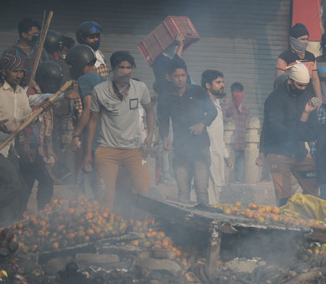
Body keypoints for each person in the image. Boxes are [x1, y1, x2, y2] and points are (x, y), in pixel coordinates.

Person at [0, 54, 51, 224]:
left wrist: (40, 110)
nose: (19, 75)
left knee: (19, 188)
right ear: (5, 72)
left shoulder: (21, 92)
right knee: (11, 184)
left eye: (21, 71)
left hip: (8, 149)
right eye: (15, 71)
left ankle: (6, 224)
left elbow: (25, 118)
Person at [87, 51, 154, 210]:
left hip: (134, 150)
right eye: (121, 67)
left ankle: (143, 230)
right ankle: (105, 231)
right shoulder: (100, 90)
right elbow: (93, 121)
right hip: (107, 151)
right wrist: (88, 153)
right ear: (113, 69)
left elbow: (150, 111)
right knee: (105, 197)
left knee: (144, 193)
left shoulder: (140, 88)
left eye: (129, 68)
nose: (125, 71)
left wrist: (150, 135)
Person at [157, 61, 216, 204]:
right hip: (180, 150)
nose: (180, 79)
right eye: (176, 76)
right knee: (183, 193)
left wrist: (202, 123)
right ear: (170, 77)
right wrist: (165, 137)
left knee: (201, 190)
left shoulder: (198, 92)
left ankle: (205, 223)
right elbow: (163, 120)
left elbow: (212, 111)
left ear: (186, 75)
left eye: (183, 75)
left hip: (200, 148)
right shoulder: (166, 98)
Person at [260, 62, 317, 206]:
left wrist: (307, 135)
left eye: (305, 85)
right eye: (299, 85)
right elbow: (274, 128)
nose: (303, 89)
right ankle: (284, 226)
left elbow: (313, 125)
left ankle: (307, 220)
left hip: (300, 152)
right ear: (290, 81)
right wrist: (299, 133)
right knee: (283, 197)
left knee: (313, 189)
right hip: (278, 153)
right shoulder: (274, 100)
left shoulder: (307, 95)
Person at [18, 61, 63, 211]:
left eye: (55, 83)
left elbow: (43, 127)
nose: (52, 86)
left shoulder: (44, 95)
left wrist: (47, 148)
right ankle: (40, 213)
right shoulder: (29, 92)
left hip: (35, 145)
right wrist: (27, 145)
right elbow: (25, 120)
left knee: (29, 181)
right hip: (26, 144)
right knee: (45, 181)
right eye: (50, 83)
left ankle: (21, 213)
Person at [68, 45, 107, 193]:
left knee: (91, 177)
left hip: (94, 135)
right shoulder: (103, 79)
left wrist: (76, 134)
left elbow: (88, 108)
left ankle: (95, 209)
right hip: (106, 135)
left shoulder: (84, 79)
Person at [202, 69, 233, 204]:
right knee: (208, 190)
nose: (222, 85)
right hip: (207, 155)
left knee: (216, 189)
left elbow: (218, 135)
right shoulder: (203, 106)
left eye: (222, 82)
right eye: (218, 82)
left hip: (218, 155)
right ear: (208, 85)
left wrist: (225, 155)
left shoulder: (217, 105)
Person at [275, 23, 322, 100]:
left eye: (307, 39)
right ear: (293, 40)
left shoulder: (311, 57)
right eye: (302, 39)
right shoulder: (284, 57)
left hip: (307, 99)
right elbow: (279, 82)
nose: (306, 42)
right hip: (289, 98)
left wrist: (319, 99)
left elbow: (315, 80)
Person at [1, 18, 48, 87]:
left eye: (38, 34)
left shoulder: (41, 50)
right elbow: (4, 76)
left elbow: (47, 70)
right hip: (18, 92)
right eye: (34, 34)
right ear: (24, 35)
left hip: (39, 93)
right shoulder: (10, 52)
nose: (37, 36)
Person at [223, 82, 249, 183]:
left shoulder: (246, 109)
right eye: (235, 92)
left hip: (243, 143)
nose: (238, 94)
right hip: (232, 144)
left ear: (243, 93)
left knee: (241, 166)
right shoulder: (227, 108)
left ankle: (239, 184)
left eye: (239, 92)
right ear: (231, 93)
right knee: (231, 166)